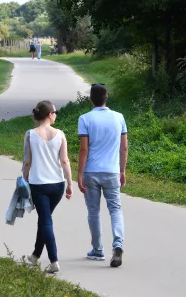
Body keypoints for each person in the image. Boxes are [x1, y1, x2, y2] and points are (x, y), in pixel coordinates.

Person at [77, 84, 128, 268]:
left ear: (91, 99)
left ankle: (97, 250)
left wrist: (79, 173)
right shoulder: (119, 117)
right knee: (115, 209)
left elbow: (84, 149)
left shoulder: (85, 119)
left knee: (93, 211)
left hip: (91, 171)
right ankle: (118, 244)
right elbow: (124, 147)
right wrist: (122, 170)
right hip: (112, 171)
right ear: (107, 98)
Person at [22, 100, 73, 274]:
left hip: (39, 185)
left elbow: (27, 161)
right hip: (57, 185)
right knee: (45, 219)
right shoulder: (60, 134)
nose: (56, 115)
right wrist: (69, 184)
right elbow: (64, 161)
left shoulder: (30, 134)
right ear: (50, 114)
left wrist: (24, 179)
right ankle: (35, 255)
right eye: (55, 112)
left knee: (45, 220)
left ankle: (53, 260)